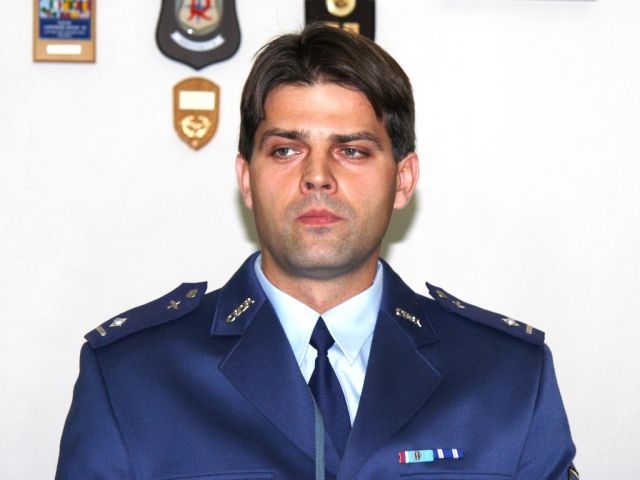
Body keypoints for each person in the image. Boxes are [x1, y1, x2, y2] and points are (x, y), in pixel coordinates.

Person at [56, 24, 578, 480]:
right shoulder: (133, 378)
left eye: (351, 150)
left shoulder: (507, 377)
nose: (317, 177)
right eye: (286, 150)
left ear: (402, 180)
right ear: (247, 179)